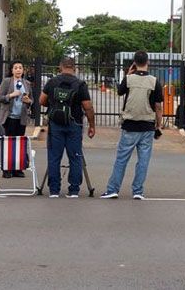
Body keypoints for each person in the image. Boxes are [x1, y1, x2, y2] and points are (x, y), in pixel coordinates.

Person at [101, 51, 164, 200]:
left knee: (121, 159)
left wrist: (128, 74)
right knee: (143, 161)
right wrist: (158, 125)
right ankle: (138, 191)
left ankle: (112, 189)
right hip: (147, 125)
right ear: (147, 62)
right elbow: (158, 106)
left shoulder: (129, 79)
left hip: (129, 124)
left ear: (134, 63)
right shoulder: (154, 81)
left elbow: (120, 92)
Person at [40, 56, 95, 198]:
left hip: (55, 124)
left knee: (54, 157)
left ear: (60, 67)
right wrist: (92, 126)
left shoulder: (52, 82)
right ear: (74, 68)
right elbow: (88, 107)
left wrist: (52, 105)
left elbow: (42, 100)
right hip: (74, 124)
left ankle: (54, 190)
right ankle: (74, 190)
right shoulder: (80, 84)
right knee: (75, 157)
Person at [0, 60, 34, 178]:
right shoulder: (7, 82)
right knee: (8, 143)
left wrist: (29, 101)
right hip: (9, 117)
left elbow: (31, 100)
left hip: (21, 118)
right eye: (16, 68)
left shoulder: (26, 83)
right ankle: (7, 169)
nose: (18, 70)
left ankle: (18, 168)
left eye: (20, 68)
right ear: (12, 70)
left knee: (20, 143)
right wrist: (11, 95)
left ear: (23, 70)